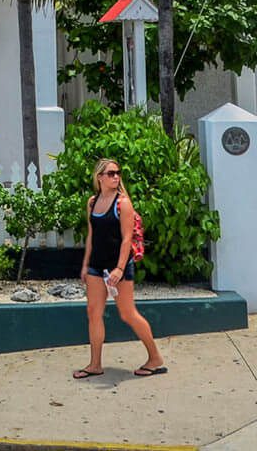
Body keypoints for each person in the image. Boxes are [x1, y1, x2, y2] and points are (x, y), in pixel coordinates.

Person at [73, 157, 167, 379]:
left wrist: (119, 269)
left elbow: (127, 239)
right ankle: (95, 364)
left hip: (119, 266)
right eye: (111, 173)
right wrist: (86, 265)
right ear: (100, 177)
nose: (115, 177)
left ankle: (155, 357)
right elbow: (91, 235)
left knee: (127, 313)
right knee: (93, 312)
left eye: (118, 173)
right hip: (97, 266)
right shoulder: (92, 202)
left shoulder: (122, 203)